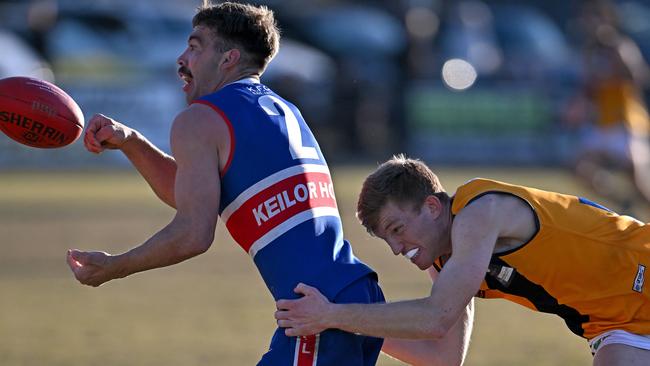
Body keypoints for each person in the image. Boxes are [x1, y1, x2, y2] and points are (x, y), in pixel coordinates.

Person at [66, 2, 386, 365]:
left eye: (195, 46)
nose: (182, 58)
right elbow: (193, 195)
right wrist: (132, 142)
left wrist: (116, 265)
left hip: (316, 309)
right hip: (358, 295)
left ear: (228, 58)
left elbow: (193, 233)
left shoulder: (201, 118)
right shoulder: (283, 109)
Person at [275, 155, 650, 366]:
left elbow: (435, 318)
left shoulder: (479, 212)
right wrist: (345, 326)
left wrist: (333, 314)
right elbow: (443, 358)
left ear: (433, 206)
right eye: (386, 238)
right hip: (616, 326)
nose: (395, 248)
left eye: (396, 228)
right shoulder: (447, 263)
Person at [564, 0, 650, 218]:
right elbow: (588, 88)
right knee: (581, 168)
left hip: (626, 122)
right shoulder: (589, 51)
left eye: (594, 19)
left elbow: (636, 77)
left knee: (639, 183)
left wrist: (616, 61)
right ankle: (622, 202)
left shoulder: (619, 46)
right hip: (601, 123)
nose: (589, 25)